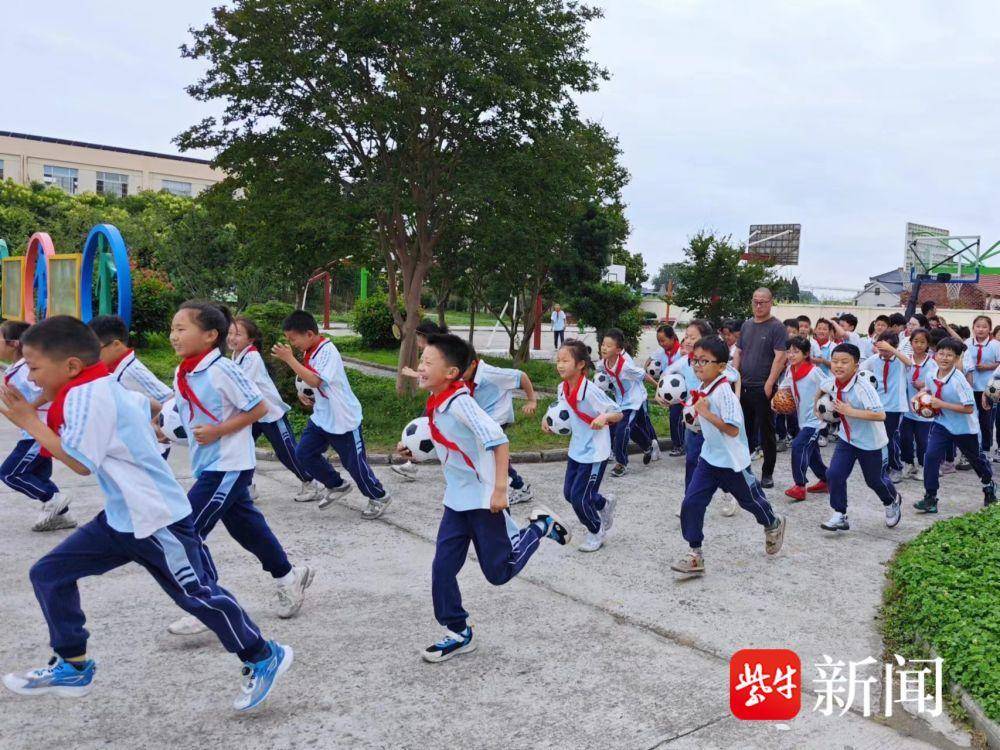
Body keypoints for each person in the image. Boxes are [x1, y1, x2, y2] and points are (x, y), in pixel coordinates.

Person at [0, 316, 292, 711]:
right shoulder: (97, 384)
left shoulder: (88, 395)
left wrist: (29, 421)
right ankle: (72, 665)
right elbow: (142, 404)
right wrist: (153, 424)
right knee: (49, 573)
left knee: (197, 597)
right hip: (122, 519)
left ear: (70, 365)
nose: (31, 379)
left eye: (35, 368)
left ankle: (263, 654)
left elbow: (81, 463)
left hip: (157, 518)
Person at [400, 333, 570, 663]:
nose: (420, 367)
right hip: (456, 501)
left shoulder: (460, 403)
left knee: (499, 572)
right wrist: (415, 451)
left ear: (450, 373)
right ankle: (458, 632)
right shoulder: (437, 401)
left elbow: (499, 441)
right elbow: (450, 441)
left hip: (482, 500)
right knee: (442, 569)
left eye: (428, 362)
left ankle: (540, 527)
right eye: (421, 361)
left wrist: (500, 490)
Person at [167, 301, 313, 637]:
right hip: (208, 464)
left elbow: (259, 408)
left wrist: (218, 431)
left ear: (210, 335)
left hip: (228, 465)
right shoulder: (184, 371)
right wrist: (163, 428)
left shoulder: (223, 370)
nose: (173, 336)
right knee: (247, 528)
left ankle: (208, 602)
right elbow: (185, 413)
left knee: (186, 530)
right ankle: (288, 576)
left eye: (181, 329)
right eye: (173, 329)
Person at [669, 336, 785, 576]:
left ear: (721, 366)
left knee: (750, 501)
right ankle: (695, 554)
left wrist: (705, 414)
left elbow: (732, 429)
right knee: (691, 502)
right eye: (695, 360)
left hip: (733, 462)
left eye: (704, 361)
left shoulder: (725, 393)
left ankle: (773, 523)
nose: (698, 365)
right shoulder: (703, 387)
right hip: (709, 459)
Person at [273, 311, 390, 518]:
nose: (292, 344)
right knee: (303, 453)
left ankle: (378, 496)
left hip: (343, 418)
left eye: (293, 339)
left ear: (310, 334)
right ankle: (336, 485)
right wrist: (304, 394)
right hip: (322, 417)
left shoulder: (327, 350)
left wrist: (289, 359)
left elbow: (316, 380)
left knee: (354, 464)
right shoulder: (310, 351)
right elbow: (312, 382)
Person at [542, 338, 623, 552]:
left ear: (580, 365)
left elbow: (617, 412)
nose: (560, 365)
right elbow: (561, 409)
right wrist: (547, 419)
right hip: (577, 449)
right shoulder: (562, 387)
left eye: (565, 361)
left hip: (595, 452)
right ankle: (603, 504)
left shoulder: (590, 391)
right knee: (569, 494)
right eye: (558, 360)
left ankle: (596, 531)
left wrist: (604, 417)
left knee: (580, 498)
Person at [228, 315, 319, 502]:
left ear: (250, 339)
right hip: (252, 415)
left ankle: (310, 482)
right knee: (242, 450)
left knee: (287, 452)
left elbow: (240, 386)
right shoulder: (236, 356)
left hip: (270, 414)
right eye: (230, 333)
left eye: (237, 334)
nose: (232, 338)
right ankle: (246, 488)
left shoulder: (252, 356)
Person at [818, 343, 903, 533]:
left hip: (871, 443)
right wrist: (818, 408)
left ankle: (891, 501)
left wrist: (849, 411)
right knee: (834, 474)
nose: (838, 366)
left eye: (844, 362)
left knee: (874, 480)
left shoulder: (863, 387)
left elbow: (880, 415)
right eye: (835, 361)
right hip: (847, 439)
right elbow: (822, 388)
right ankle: (840, 514)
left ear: (856, 366)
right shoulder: (832, 382)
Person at [0, 320, 72, 532]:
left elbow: (52, 389)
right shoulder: (18, 368)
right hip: (33, 431)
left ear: (14, 343)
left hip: (38, 432)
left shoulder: (26, 369)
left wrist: (29, 408)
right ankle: (62, 516)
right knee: (37, 476)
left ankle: (53, 498)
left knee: (10, 473)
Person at [913, 337, 996, 514]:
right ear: (935, 355)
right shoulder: (931, 374)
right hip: (942, 424)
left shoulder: (959, 381)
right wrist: (919, 395)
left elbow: (969, 408)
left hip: (964, 428)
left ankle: (988, 485)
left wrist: (941, 404)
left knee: (976, 461)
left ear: (957, 358)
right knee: (931, 457)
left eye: (949, 355)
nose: (944, 358)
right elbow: (929, 389)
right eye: (941, 354)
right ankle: (930, 497)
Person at [462, 353, 539, 505]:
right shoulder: (467, 376)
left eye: (462, 369)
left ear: (473, 364)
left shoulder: (490, 374)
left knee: (494, 457)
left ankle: (520, 487)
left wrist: (532, 400)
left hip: (497, 421)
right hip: (482, 423)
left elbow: (521, 376)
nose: (459, 374)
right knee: (488, 457)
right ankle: (511, 486)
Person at [732, 288, 787, 488]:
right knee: (743, 430)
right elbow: (738, 352)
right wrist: (734, 377)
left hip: (763, 387)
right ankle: (743, 471)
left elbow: (780, 357)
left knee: (766, 432)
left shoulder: (777, 327)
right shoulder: (747, 325)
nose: (758, 305)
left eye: (762, 302)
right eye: (755, 301)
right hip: (743, 386)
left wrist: (770, 383)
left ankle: (767, 473)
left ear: (771, 302)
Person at [597, 328, 659, 477]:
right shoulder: (603, 363)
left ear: (619, 350)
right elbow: (599, 372)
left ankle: (621, 463)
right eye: (603, 344)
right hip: (619, 402)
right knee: (629, 428)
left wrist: (658, 388)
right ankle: (647, 445)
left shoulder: (625, 365)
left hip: (632, 402)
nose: (604, 348)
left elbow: (643, 375)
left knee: (621, 431)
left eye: (609, 346)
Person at [392, 320, 449, 481]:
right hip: (437, 399)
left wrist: (414, 374)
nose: (417, 343)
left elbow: (438, 376)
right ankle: (411, 464)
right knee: (422, 430)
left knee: (428, 430)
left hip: (445, 401)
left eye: (418, 339)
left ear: (426, 337)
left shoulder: (441, 352)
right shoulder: (434, 350)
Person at [780, 337, 828, 501]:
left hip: (815, 421)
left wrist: (824, 407)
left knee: (798, 446)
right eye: (789, 352)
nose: (791, 355)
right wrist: (776, 401)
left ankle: (800, 486)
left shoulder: (814, 371)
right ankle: (827, 480)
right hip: (802, 419)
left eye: (796, 352)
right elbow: (784, 388)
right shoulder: (790, 369)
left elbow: (829, 386)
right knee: (812, 454)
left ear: (806, 354)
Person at [860, 332, 912, 483]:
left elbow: (910, 363)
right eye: (880, 349)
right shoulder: (875, 359)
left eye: (886, 349)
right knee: (877, 437)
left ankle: (896, 467)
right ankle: (884, 465)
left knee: (890, 438)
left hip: (894, 406)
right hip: (878, 405)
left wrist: (892, 350)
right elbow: (861, 370)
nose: (883, 353)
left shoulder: (900, 359)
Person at [899, 328, 935, 480]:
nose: (919, 345)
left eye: (923, 342)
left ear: (928, 344)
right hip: (907, 409)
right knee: (905, 438)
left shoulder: (932, 363)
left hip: (924, 411)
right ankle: (908, 463)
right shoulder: (905, 360)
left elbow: (937, 382)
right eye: (916, 341)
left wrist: (924, 385)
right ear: (911, 342)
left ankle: (922, 466)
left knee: (922, 441)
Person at [645, 324, 685, 455]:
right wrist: (647, 368)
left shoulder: (681, 352)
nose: (661, 344)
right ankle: (679, 444)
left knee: (677, 418)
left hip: (683, 391)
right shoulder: (661, 352)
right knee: (675, 418)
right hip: (670, 393)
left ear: (672, 338)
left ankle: (680, 445)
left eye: (663, 340)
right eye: (659, 341)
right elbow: (649, 360)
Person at [965, 315, 999, 457]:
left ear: (990, 329)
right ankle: (970, 448)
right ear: (973, 328)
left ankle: (985, 449)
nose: (980, 329)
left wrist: (988, 366)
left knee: (986, 420)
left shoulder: (995, 345)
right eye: (978, 326)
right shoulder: (967, 343)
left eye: (984, 327)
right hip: (970, 386)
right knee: (969, 418)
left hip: (989, 387)